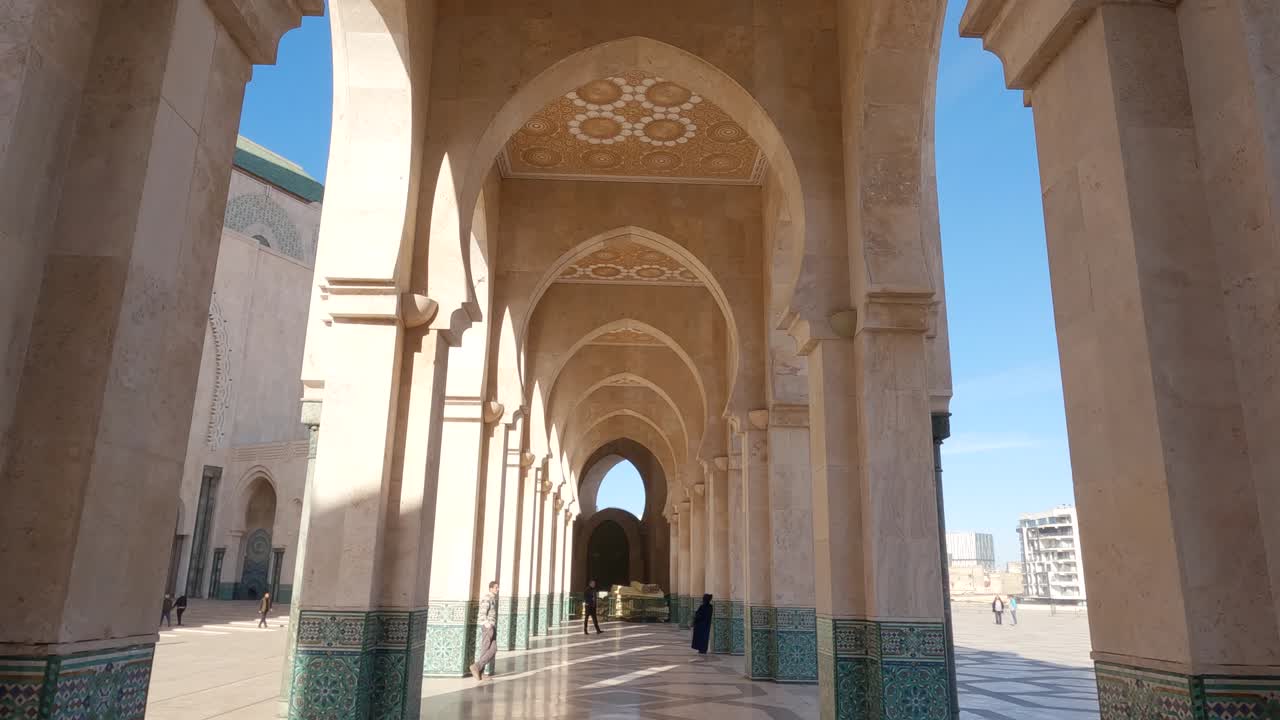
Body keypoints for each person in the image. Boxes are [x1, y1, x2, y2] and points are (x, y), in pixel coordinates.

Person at [471, 581, 499, 681]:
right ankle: (479, 670)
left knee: (493, 648)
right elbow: (482, 613)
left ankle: (478, 667)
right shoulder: (487, 598)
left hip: (492, 626)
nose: (497, 589)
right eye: (496, 587)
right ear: (490, 588)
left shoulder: (492, 599)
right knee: (485, 648)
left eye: (497, 587)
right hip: (488, 626)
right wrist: (487, 624)